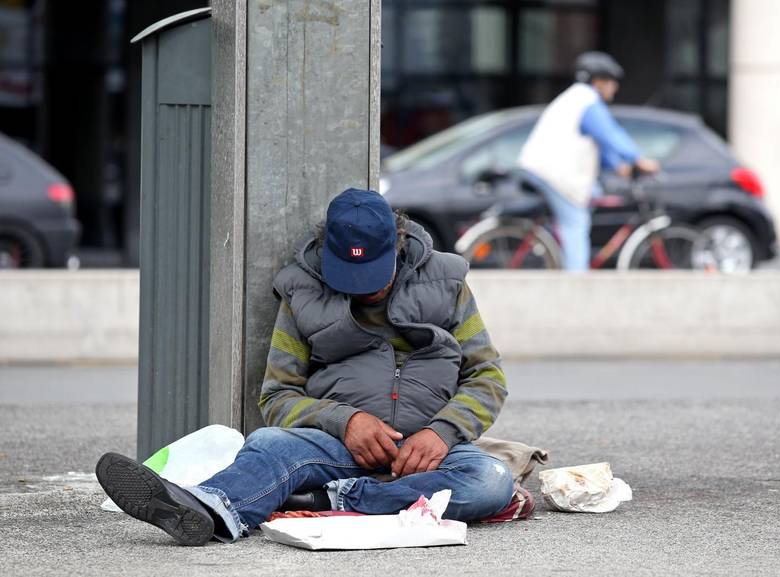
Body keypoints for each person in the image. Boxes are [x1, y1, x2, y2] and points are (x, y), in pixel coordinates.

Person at [95, 188, 513, 546]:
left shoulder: (448, 284)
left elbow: (487, 377)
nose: (363, 288)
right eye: (350, 275)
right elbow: (277, 396)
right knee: (271, 443)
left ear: (398, 244)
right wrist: (345, 420)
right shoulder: (302, 292)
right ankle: (208, 508)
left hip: (428, 457)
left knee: (491, 479)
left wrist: (442, 432)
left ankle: (329, 499)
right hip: (338, 449)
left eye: (373, 275)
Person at [518, 51, 660, 271]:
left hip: (544, 168)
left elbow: (594, 142)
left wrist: (616, 165)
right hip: (554, 173)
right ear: (599, 82)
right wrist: (638, 159)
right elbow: (610, 134)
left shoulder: (575, 98)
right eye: (612, 82)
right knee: (576, 221)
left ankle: (558, 250)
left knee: (592, 194)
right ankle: (577, 280)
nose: (615, 88)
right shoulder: (587, 101)